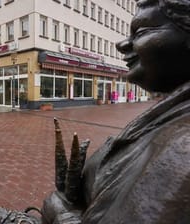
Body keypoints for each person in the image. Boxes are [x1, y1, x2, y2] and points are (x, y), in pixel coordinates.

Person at [42, 0, 190, 223]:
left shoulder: (183, 147)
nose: (123, 44)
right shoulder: (167, 116)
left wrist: (61, 212)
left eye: (141, 31)